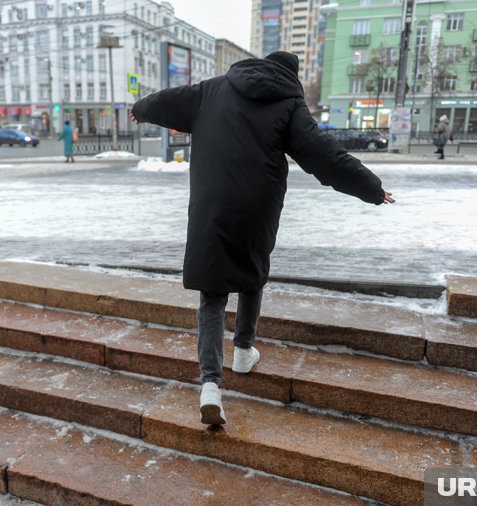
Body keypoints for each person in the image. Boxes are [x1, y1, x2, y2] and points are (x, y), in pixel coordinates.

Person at [130, 51, 395, 426]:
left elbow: (167, 101)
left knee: (213, 292)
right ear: (291, 75)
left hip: (212, 203)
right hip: (258, 205)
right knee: (251, 275)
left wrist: (141, 108)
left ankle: (210, 385)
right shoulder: (288, 104)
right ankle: (242, 350)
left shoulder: (212, 90)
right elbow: (324, 155)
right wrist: (371, 188)